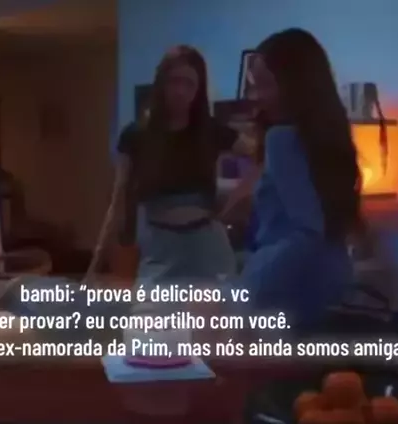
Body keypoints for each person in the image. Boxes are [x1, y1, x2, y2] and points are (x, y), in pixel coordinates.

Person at [87, 45, 258, 293]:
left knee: (214, 317)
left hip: (208, 251)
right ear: (161, 84)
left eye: (189, 84)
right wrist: (94, 267)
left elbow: (261, 155)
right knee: (148, 317)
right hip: (160, 251)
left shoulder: (210, 130)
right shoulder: (136, 135)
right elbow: (118, 203)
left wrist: (237, 199)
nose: (181, 91)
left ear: (198, 89)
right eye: (174, 81)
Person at [236, 28, 363, 332]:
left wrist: (243, 292)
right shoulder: (327, 139)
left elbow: (306, 232)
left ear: (294, 84)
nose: (258, 97)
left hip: (286, 287)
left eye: (265, 85)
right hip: (331, 283)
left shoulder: (281, 139)